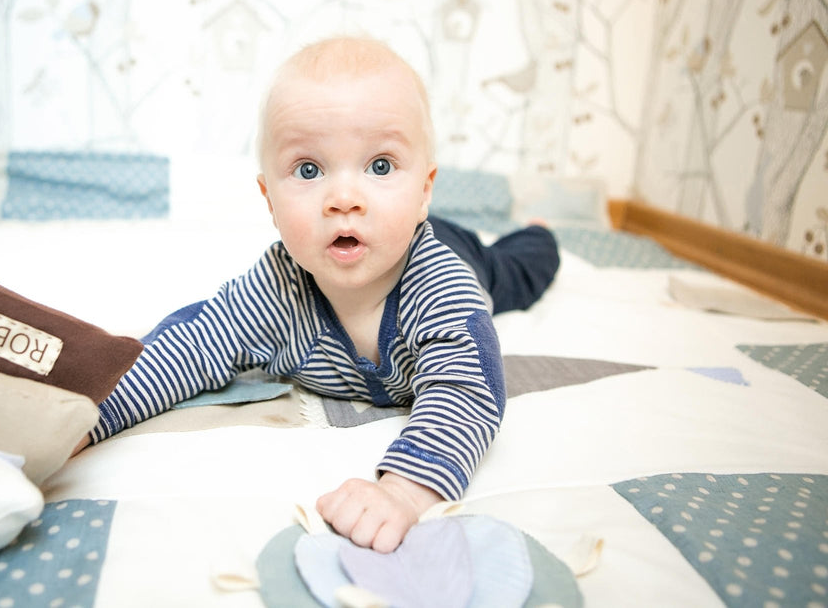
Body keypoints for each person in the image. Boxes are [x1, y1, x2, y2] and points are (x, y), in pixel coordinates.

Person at [79, 36, 559, 553]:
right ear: (268, 199)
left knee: (516, 272)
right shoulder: (277, 291)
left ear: (424, 188)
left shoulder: (444, 290)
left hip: (459, 251)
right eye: (309, 170)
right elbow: (190, 347)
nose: (344, 199)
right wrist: (83, 417)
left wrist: (402, 490)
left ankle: (538, 232)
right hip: (395, 225)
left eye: (380, 166)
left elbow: (468, 390)